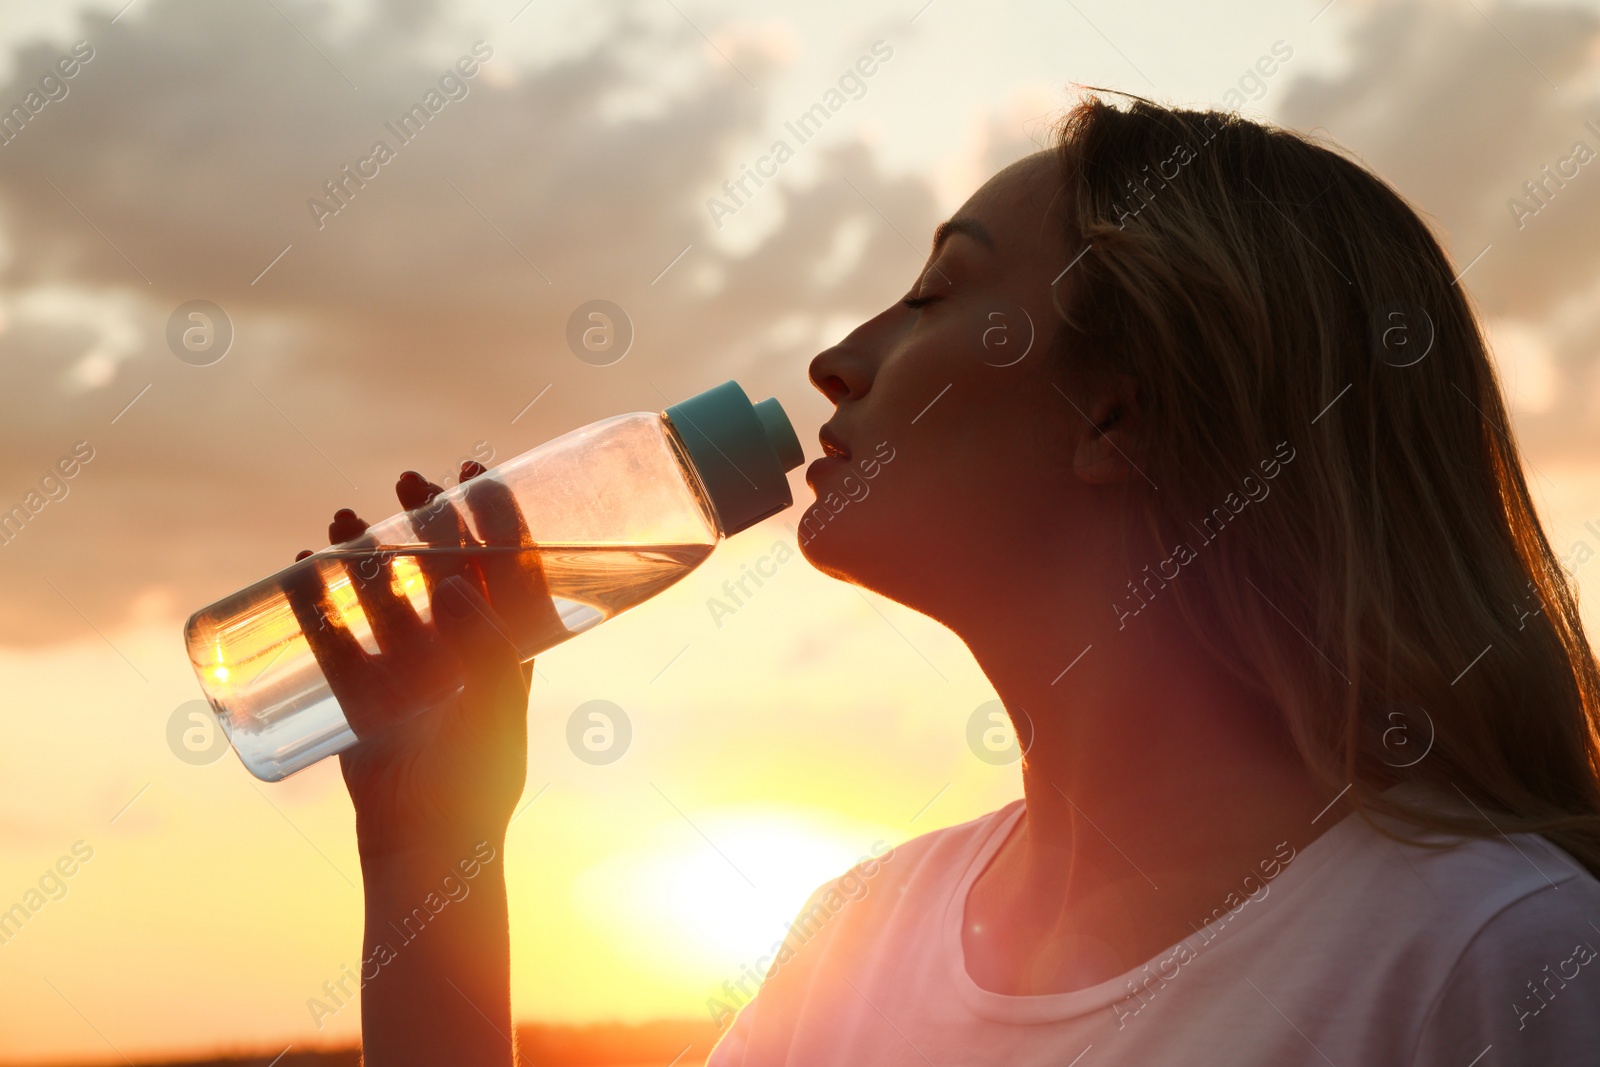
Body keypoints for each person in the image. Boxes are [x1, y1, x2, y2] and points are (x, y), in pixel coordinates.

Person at [298, 91, 1600, 1064]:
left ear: (1115, 418)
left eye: (934, 293)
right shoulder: (852, 950)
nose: (839, 360)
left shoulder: (1495, 963)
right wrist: (435, 849)